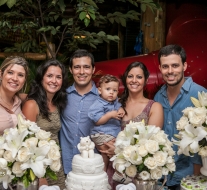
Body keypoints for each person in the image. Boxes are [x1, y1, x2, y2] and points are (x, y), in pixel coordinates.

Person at [101, 61, 164, 187]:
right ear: (125, 79)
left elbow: (151, 147)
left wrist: (119, 152)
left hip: (140, 173)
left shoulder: (154, 107)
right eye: (130, 76)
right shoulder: (115, 103)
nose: (134, 80)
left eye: (139, 77)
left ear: (146, 80)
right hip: (114, 169)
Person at [154, 44, 207, 190]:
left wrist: (196, 179)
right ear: (160, 68)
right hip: (163, 176)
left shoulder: (200, 94)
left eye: (175, 65)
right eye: (165, 66)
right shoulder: (158, 97)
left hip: (190, 178)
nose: (170, 71)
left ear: (184, 65)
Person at [22, 59, 68, 190]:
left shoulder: (57, 103)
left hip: (55, 164)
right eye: (49, 76)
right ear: (41, 78)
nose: (54, 80)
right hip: (39, 168)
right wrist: (40, 176)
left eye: (58, 77)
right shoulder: (31, 105)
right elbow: (28, 144)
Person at [60, 49, 99, 175]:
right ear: (71, 70)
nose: (82, 72)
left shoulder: (103, 98)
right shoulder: (61, 96)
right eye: (77, 67)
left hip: (92, 169)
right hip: (65, 167)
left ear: (93, 69)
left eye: (86, 67)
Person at [88, 74, 124, 172]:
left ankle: (105, 173)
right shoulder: (98, 104)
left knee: (107, 154)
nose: (111, 92)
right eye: (108, 89)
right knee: (117, 148)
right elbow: (97, 121)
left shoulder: (114, 101)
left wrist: (121, 109)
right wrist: (109, 115)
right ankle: (117, 173)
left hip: (110, 133)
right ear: (100, 90)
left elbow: (118, 106)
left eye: (114, 90)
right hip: (101, 133)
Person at [0, 56, 29, 135]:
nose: (15, 78)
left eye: (20, 75)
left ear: (24, 80)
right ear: (1, 74)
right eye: (10, 72)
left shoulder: (19, 101)